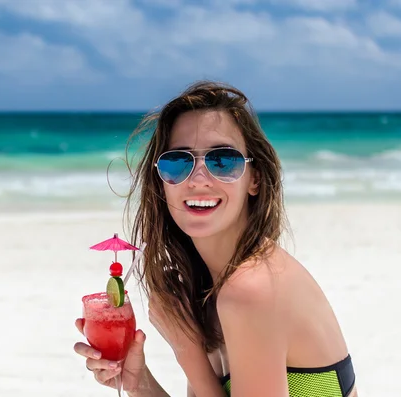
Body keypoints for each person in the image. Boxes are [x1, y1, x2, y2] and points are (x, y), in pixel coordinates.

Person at [73, 80, 357, 397]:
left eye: (222, 160)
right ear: (162, 182)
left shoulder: (251, 290)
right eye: (178, 161)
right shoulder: (209, 288)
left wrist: (187, 351)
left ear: (255, 179)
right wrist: (138, 382)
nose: (197, 179)